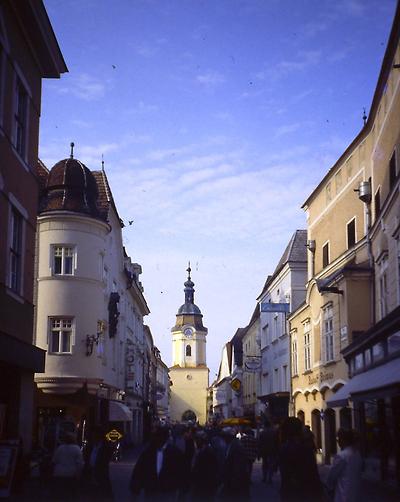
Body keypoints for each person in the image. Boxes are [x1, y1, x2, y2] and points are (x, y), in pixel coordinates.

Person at [130, 425, 185, 501]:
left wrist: (182, 490)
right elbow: (139, 471)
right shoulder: (148, 453)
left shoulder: (175, 453)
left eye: (158, 437)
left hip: (168, 491)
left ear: (165, 438)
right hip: (151, 490)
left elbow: (181, 472)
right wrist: (135, 489)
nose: (155, 439)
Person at [279, 417, 323, 502]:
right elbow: (313, 474)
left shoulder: (284, 449)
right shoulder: (305, 449)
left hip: (289, 492)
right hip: (305, 492)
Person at [326, 428, 362, 502]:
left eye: (338, 439)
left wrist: (329, 487)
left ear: (344, 440)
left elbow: (332, 476)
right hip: (355, 493)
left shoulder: (342, 456)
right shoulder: (357, 454)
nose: (338, 441)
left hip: (343, 493)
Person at [220, 427, 251, 501]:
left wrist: (234, 481)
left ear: (229, 437)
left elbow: (238, 466)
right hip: (231, 480)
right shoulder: (231, 445)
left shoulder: (237, 447)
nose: (223, 438)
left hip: (235, 481)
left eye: (224, 436)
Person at [51, 432, 84, 500]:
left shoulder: (60, 448)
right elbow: (79, 463)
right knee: (70, 494)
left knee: (59, 494)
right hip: (71, 474)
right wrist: (79, 474)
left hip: (58, 473)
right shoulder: (77, 449)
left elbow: (54, 460)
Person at [85, 427, 114, 500]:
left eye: (95, 435)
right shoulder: (90, 447)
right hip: (90, 475)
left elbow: (105, 461)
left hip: (101, 476)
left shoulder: (105, 448)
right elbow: (86, 459)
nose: (93, 437)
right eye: (92, 435)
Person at [190, 430, 219, 501]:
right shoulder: (200, 450)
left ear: (202, 440)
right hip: (199, 484)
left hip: (205, 485)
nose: (196, 441)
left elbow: (212, 470)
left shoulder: (208, 452)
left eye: (197, 439)